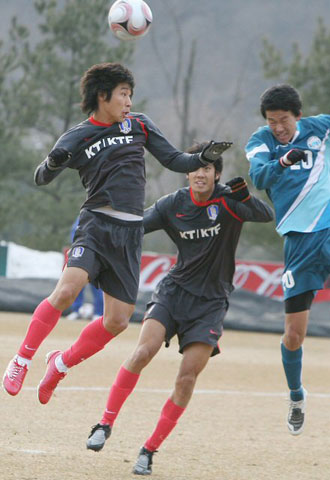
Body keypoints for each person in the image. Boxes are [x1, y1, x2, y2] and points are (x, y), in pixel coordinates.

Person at [2, 62, 232, 400]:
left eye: (130, 95)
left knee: (118, 322)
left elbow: (174, 161)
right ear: (102, 95)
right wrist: (53, 162)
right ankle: (21, 359)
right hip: (95, 224)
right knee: (67, 291)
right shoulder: (78, 135)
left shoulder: (139, 124)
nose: (128, 101)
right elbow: (41, 177)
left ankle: (60, 364)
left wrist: (203, 157)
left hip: (129, 235)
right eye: (123, 94)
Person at [84, 142, 274, 475]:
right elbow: (135, 226)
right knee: (143, 351)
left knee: (186, 379)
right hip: (173, 292)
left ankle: (149, 450)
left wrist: (244, 197)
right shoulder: (173, 204)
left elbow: (265, 215)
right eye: (196, 167)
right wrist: (105, 221)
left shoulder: (229, 201)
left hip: (211, 304)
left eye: (208, 168)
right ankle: (104, 423)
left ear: (217, 175)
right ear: (187, 172)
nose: (201, 173)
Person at [245, 84, 330, 435]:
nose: (278, 127)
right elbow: (259, 176)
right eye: (272, 120)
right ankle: (296, 396)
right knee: (294, 334)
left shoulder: (319, 128)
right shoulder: (260, 141)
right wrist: (282, 160)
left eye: (283, 120)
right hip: (298, 243)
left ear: (298, 115)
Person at [66, 216, 104, 321]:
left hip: (97, 256)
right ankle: (76, 310)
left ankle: (98, 313)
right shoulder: (83, 215)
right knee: (76, 284)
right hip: (82, 255)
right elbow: (75, 234)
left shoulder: (103, 217)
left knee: (97, 285)